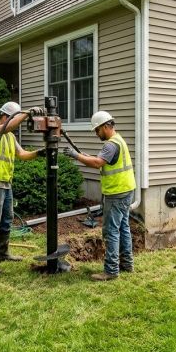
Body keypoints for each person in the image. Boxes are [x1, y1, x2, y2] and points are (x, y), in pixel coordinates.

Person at [63, 111, 136, 281]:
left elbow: (97, 163)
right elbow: (101, 160)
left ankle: (111, 270)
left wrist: (76, 156)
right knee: (123, 227)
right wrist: (85, 156)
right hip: (126, 189)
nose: (96, 134)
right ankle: (127, 263)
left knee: (111, 231)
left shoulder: (110, 145)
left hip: (116, 193)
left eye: (97, 130)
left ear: (105, 126)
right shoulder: (119, 140)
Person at [0, 101, 44, 275]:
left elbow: (22, 154)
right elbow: (7, 128)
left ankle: (3, 253)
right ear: (6, 117)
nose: (17, 124)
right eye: (15, 119)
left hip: (6, 184)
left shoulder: (10, 137)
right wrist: (27, 113)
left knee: (7, 219)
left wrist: (39, 152)